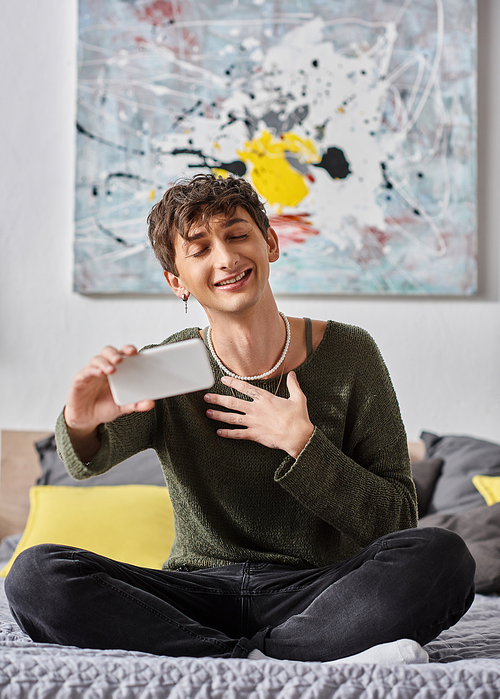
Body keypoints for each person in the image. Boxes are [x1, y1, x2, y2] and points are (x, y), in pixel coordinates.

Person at [6, 174, 475, 665]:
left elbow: (397, 521)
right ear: (176, 281)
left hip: (317, 594)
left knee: (443, 556)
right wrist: (81, 421)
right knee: (36, 575)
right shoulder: (167, 367)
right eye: (199, 249)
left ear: (269, 243)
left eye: (236, 235)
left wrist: (303, 444)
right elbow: (84, 464)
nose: (226, 259)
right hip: (195, 594)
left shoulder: (350, 353)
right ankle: (270, 661)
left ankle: (247, 656)